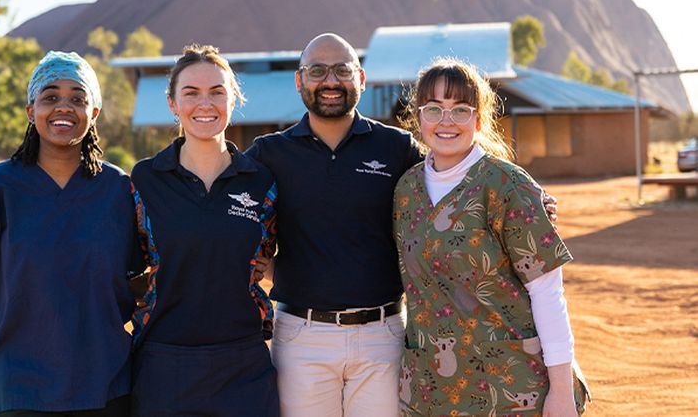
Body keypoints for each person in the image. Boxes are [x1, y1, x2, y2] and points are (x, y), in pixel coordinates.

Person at [0, 51, 137, 417]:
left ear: (94, 113)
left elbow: (138, 284)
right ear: (31, 110)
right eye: (50, 97)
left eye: (78, 98)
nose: (64, 107)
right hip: (15, 391)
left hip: (106, 390)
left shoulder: (119, 190)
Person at [393, 59, 590, 416]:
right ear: (418, 118)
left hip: (510, 389)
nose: (447, 121)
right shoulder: (405, 190)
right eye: (434, 109)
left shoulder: (508, 185)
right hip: (429, 390)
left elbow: (547, 293)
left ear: (479, 120)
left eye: (461, 110)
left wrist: (561, 390)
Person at [247, 33, 424, 417]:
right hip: (300, 336)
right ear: (299, 81)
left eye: (342, 70)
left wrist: (519, 198)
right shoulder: (269, 153)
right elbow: (225, 207)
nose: (330, 82)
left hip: (384, 335)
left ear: (360, 78)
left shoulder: (397, 148)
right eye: (317, 71)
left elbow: (453, 182)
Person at [129, 44, 279, 417]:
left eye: (217, 92)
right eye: (191, 93)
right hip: (164, 362)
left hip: (244, 362)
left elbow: (274, 253)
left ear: (234, 100)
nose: (205, 104)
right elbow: (125, 267)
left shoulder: (261, 180)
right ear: (172, 104)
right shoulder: (145, 179)